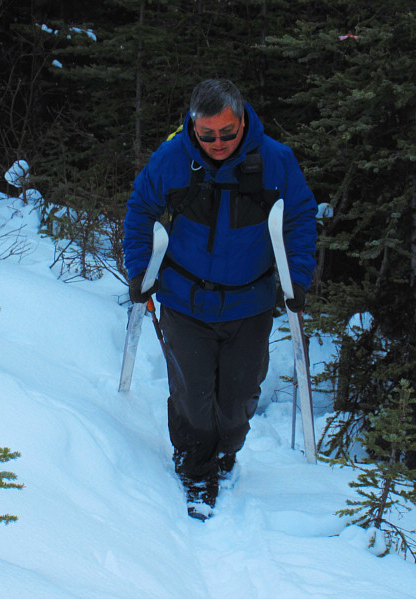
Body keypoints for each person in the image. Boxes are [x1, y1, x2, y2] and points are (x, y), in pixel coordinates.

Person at [123, 79, 318, 520]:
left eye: (227, 134)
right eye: (207, 134)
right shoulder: (172, 160)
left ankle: (225, 453)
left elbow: (301, 218)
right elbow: (140, 211)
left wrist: (298, 275)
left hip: (249, 303)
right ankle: (196, 469)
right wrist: (139, 270)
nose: (217, 143)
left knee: (239, 397)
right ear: (193, 124)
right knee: (192, 395)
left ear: (242, 118)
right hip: (184, 299)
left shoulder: (275, 161)